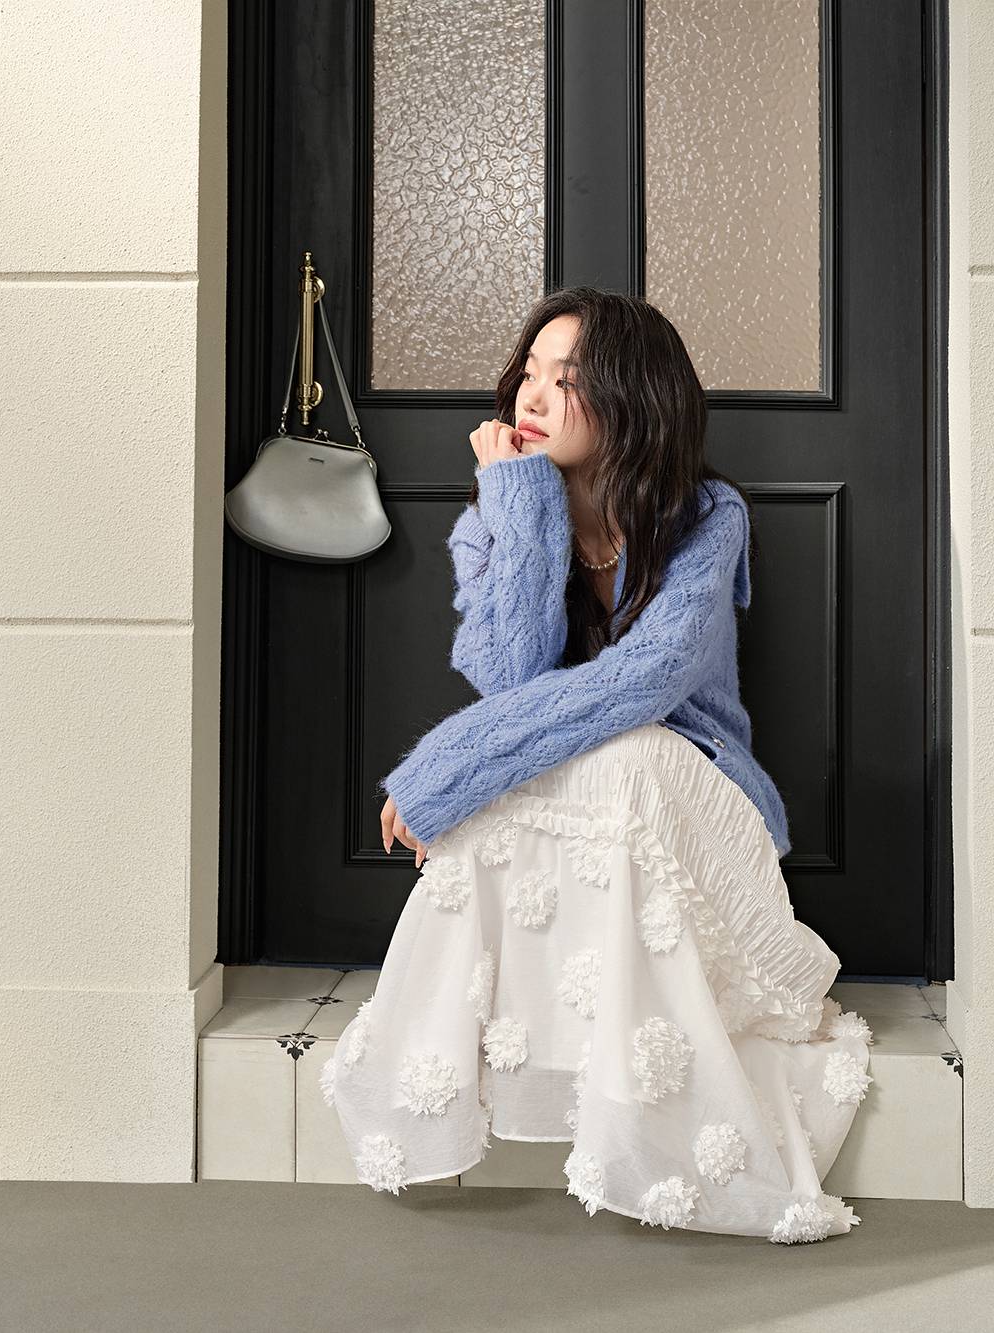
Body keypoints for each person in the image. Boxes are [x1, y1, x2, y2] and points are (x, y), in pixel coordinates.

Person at [320, 287, 873, 1243]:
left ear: (630, 396)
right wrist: (523, 502)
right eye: (527, 374)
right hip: (578, 791)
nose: (531, 397)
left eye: (566, 380)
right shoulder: (494, 514)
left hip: (693, 789)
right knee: (524, 779)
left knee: (618, 753)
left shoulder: (707, 516)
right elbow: (510, 678)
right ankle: (462, 1079)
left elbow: (641, 685)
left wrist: (449, 766)